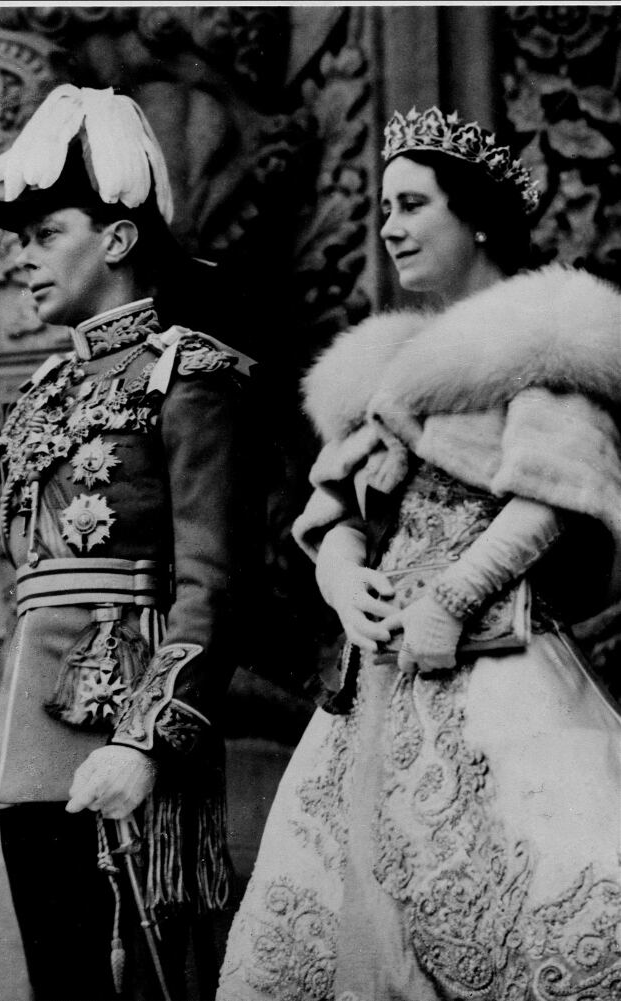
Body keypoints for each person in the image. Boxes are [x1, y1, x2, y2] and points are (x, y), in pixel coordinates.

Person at [216, 106, 621, 1001]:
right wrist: (339, 572)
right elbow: (338, 510)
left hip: (496, 661)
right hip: (375, 678)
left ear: (474, 216)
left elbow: (554, 495)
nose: (390, 227)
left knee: (547, 911)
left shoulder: (548, 331)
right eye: (383, 209)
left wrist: (452, 596)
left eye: (411, 204)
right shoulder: (385, 362)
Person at [0, 83, 259, 1001]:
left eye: (46, 235)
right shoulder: (45, 395)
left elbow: (211, 583)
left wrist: (145, 742)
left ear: (118, 239)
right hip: (32, 734)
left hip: (127, 726)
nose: (25, 263)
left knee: (148, 983)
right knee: (64, 984)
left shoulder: (190, 377)